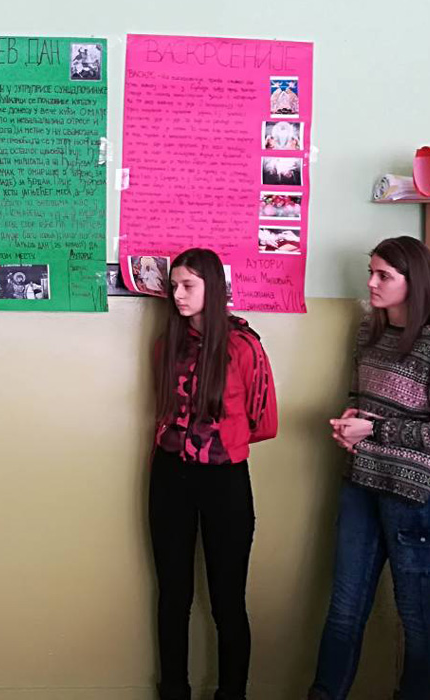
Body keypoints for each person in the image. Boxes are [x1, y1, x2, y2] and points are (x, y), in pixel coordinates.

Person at [308, 236, 430, 700]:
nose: (371, 283)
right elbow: (364, 398)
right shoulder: (370, 330)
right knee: (344, 609)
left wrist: (376, 430)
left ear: (414, 282)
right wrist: (351, 422)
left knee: (416, 618)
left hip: (418, 497)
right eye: (371, 272)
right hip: (363, 481)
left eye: (384, 275)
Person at [150, 248, 278, 700]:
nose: (178, 295)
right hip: (170, 477)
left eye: (188, 285)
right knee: (173, 596)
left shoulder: (244, 346)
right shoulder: (167, 345)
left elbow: (264, 422)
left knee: (228, 599)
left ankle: (232, 692)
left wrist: (218, 444)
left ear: (214, 288)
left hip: (224, 480)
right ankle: (173, 689)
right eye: (174, 286)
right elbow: (164, 407)